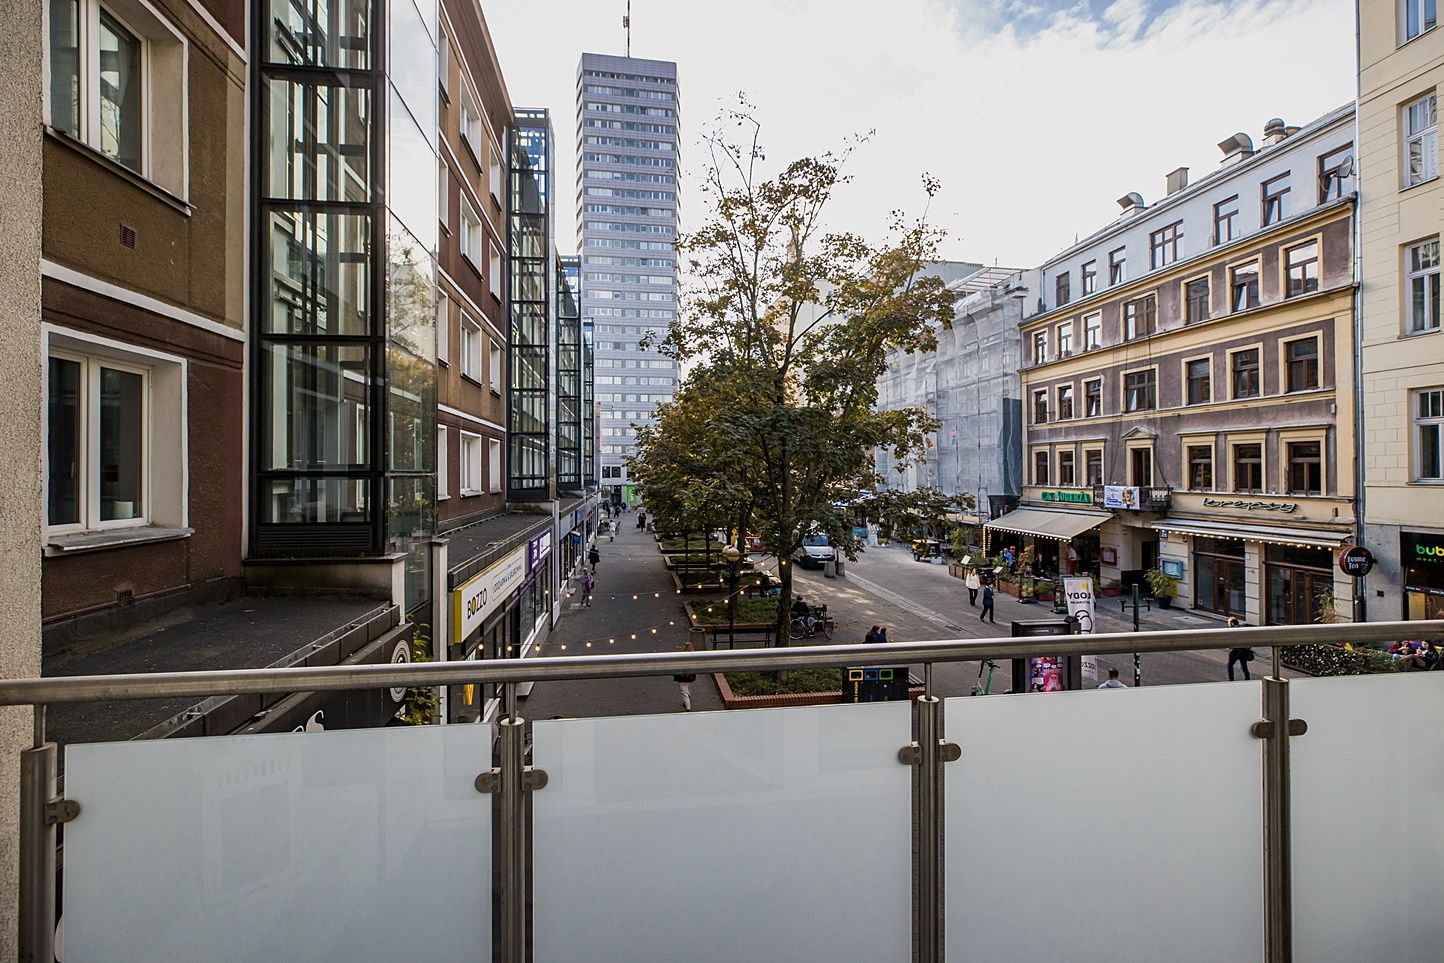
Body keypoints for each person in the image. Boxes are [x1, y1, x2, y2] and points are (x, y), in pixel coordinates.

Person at [1225, 616, 1255, 681]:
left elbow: (1232, 641)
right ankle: (1247, 679)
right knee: (1244, 666)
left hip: (1236, 650)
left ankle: (1231, 679)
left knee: (1230, 665)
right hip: (1244, 650)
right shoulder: (1242, 628)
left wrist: (1229, 647)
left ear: (1232, 623)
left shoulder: (1233, 630)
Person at [673, 641, 697, 711]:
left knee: (683, 692)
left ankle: (688, 708)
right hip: (691, 677)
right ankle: (688, 695)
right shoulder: (695, 657)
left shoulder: (683, 656)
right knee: (686, 688)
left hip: (682, 678)